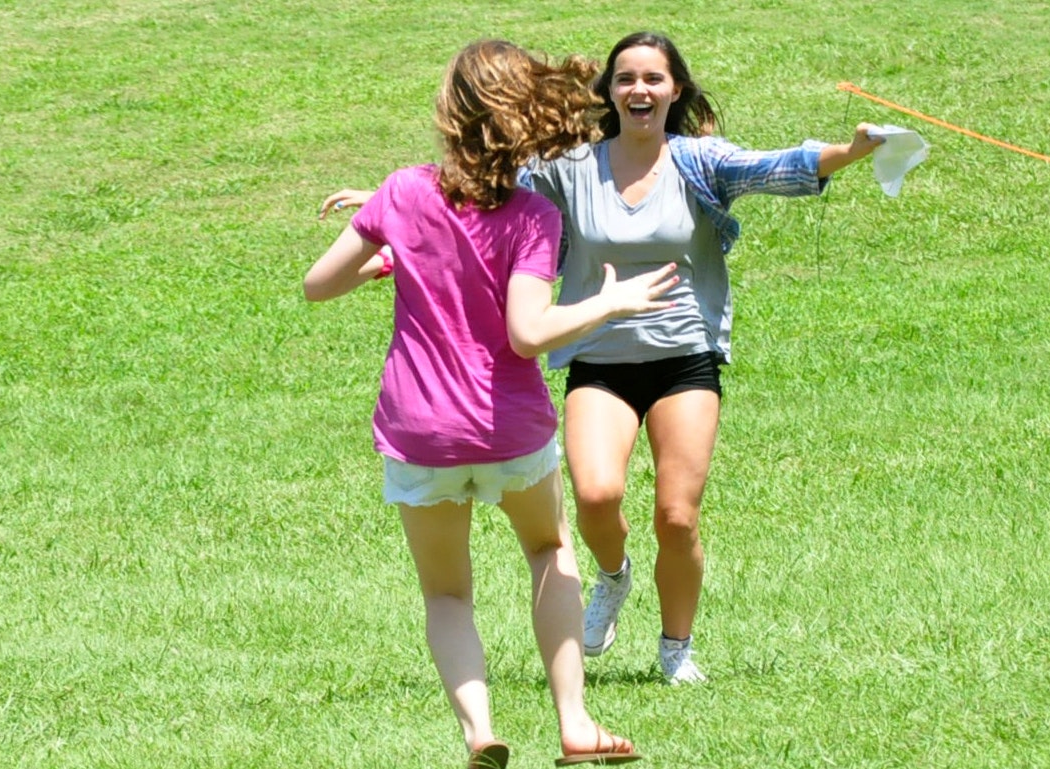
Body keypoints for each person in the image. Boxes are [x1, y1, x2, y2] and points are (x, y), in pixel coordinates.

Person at [305, 39, 674, 768]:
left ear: (452, 114)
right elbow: (529, 332)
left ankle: (480, 730)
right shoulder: (533, 215)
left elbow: (319, 283)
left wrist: (389, 248)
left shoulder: (402, 191)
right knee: (549, 549)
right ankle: (574, 723)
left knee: (447, 593)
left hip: (421, 433)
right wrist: (609, 302)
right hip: (508, 429)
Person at [518, 31, 885, 685]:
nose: (639, 90)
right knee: (596, 494)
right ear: (608, 91)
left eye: (653, 79)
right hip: (600, 359)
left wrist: (852, 152)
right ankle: (613, 575)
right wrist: (391, 215)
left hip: (685, 356)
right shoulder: (569, 167)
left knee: (677, 515)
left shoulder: (698, 162)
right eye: (625, 78)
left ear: (675, 90)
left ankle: (675, 649)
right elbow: (483, 201)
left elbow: (778, 166)